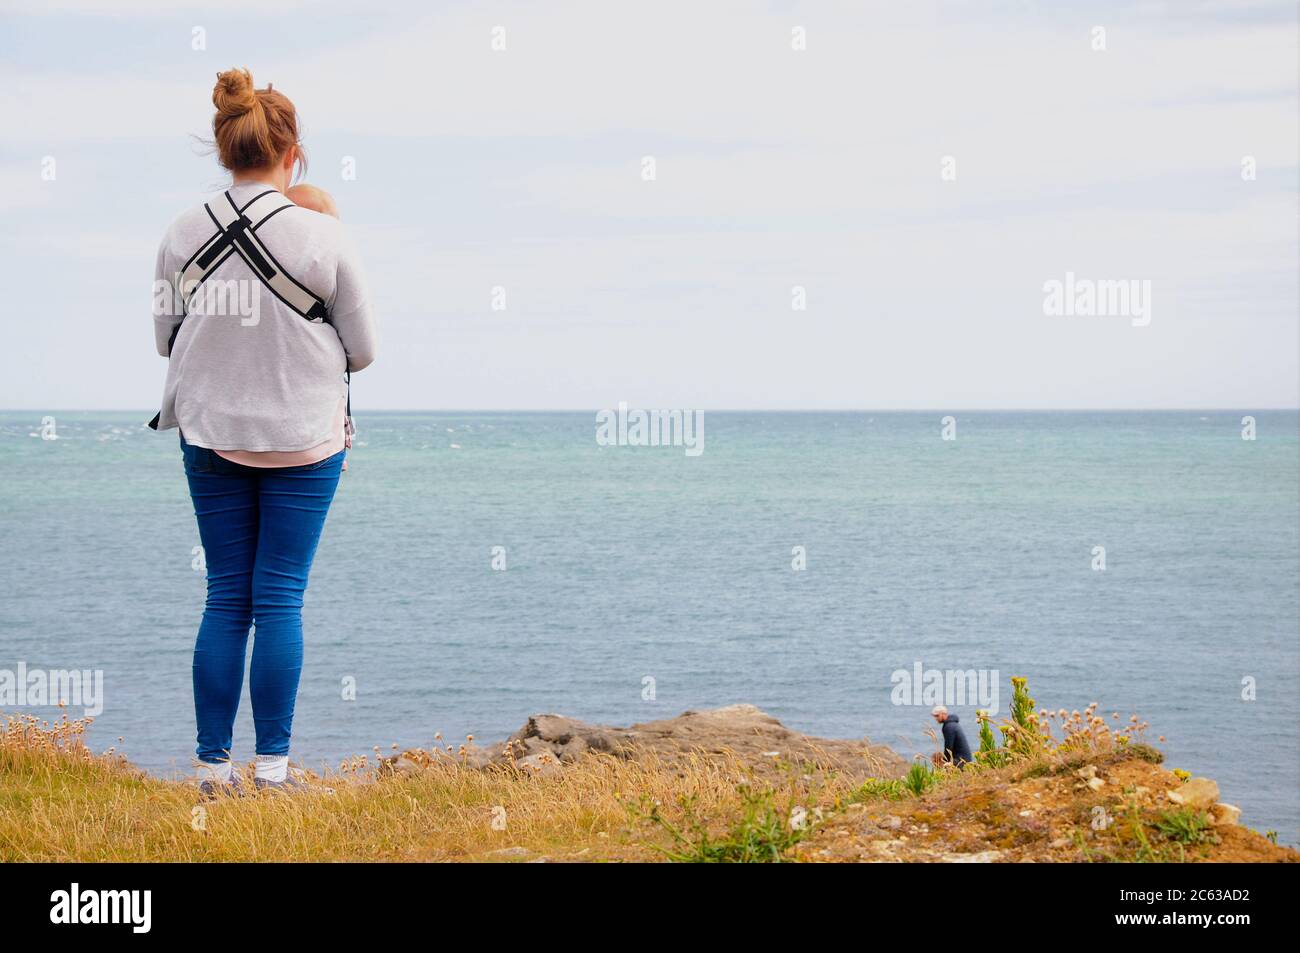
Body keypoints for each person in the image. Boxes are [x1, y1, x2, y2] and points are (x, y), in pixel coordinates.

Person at [152, 67, 378, 797]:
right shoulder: (324, 234)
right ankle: (274, 771)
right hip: (304, 436)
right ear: (293, 154)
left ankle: (211, 770)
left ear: (225, 148)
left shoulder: (180, 232)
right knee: (279, 596)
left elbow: (165, 339)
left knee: (226, 596)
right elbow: (364, 349)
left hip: (211, 430)